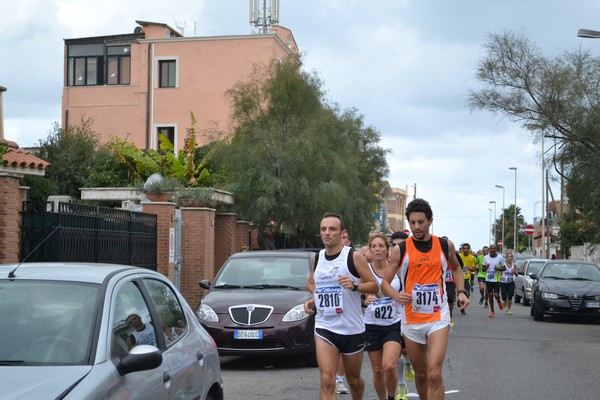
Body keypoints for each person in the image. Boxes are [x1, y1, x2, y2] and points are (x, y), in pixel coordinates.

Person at [382, 198, 470, 400]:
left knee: (434, 372)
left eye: (421, 222)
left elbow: (456, 268)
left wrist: (462, 291)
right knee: (421, 373)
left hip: (437, 317)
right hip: (411, 319)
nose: (416, 227)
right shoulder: (400, 249)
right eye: (412, 223)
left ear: (430, 221)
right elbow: (385, 282)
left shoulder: (444, 245)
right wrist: (396, 295)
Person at [304, 212, 379, 400]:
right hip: (325, 327)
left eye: (332, 229)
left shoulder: (353, 257)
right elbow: (313, 283)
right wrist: (313, 299)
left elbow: (373, 285)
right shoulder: (317, 258)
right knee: (327, 380)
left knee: (353, 380)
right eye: (323, 229)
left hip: (351, 329)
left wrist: (354, 286)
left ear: (341, 233)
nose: (327, 233)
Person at [363, 233, 406, 400]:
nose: (377, 249)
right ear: (369, 249)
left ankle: (391, 396)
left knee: (389, 366)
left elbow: (407, 288)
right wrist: (363, 299)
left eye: (381, 246)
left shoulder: (397, 269)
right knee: (377, 370)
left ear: (387, 250)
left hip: (393, 323)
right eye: (374, 246)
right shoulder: (365, 270)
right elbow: (355, 291)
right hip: (372, 324)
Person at [390, 230, 415, 387]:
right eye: (394, 245)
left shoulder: (412, 264)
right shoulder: (387, 265)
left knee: (406, 353)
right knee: (396, 353)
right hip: (391, 317)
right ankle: (401, 386)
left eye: (400, 245)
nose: (397, 248)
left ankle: (408, 364)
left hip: (410, 315)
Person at [483, 244, 505, 318]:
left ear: (496, 249)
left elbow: (504, 268)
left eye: (494, 248)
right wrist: (486, 267)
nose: (492, 250)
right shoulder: (485, 257)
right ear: (489, 249)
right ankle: (492, 311)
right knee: (490, 295)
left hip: (496, 279)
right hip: (488, 279)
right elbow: (483, 269)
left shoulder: (500, 258)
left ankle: (499, 301)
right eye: (491, 248)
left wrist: (498, 269)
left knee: (496, 295)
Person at [458, 243, 477, 315]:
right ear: (462, 249)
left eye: (467, 249)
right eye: (464, 249)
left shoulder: (472, 258)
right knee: (460, 292)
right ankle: (461, 306)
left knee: (467, 293)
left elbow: (474, 269)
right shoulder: (459, 256)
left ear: (469, 249)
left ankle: (462, 304)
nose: (465, 250)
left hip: (467, 277)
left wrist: (470, 268)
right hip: (460, 277)